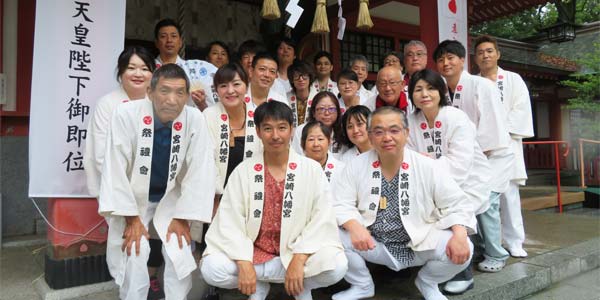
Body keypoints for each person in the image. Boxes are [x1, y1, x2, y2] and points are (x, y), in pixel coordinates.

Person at [200, 101, 348, 300]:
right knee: (211, 269)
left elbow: (321, 218)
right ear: (259, 132)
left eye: (282, 128)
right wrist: (244, 263)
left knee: (338, 265)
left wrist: (299, 258)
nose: (275, 135)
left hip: (297, 253)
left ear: (292, 130)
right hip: (255, 254)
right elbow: (229, 220)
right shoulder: (244, 171)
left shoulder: (311, 169)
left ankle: (294, 280)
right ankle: (261, 281)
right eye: (268, 129)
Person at [98, 64, 216, 300]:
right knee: (134, 250)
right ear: (150, 93)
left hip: (173, 200)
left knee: (178, 249)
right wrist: (131, 218)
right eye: (164, 91)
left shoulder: (194, 119)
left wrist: (183, 217)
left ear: (187, 96)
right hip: (133, 199)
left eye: (180, 92)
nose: (171, 100)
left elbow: (200, 171)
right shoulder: (126, 114)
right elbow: (115, 167)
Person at [332, 106, 475, 300]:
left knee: (465, 244)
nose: (387, 137)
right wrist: (355, 226)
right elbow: (340, 203)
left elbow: (456, 203)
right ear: (371, 136)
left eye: (394, 130)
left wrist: (459, 234)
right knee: (332, 235)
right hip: (374, 243)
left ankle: (428, 282)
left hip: (420, 242)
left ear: (406, 133)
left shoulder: (428, 166)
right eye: (379, 131)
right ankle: (362, 285)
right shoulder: (355, 166)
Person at [83, 46, 166, 300]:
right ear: (121, 72)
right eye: (131, 68)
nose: (138, 73)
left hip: (155, 187)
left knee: (153, 239)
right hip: (120, 188)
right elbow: (101, 155)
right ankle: (132, 293)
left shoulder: (161, 104)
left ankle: (145, 285)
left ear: (154, 73)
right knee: (130, 244)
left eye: (144, 68)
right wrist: (125, 192)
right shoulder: (108, 104)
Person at [406, 69, 492, 294]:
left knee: (454, 215)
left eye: (431, 88)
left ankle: (464, 272)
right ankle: (441, 266)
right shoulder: (410, 121)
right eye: (418, 89)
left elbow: (460, 164)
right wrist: (425, 168)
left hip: (468, 180)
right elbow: (408, 156)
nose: (424, 94)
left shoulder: (456, 117)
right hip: (430, 183)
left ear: (441, 91)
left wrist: (426, 165)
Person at [434, 40, 513, 281]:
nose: (446, 63)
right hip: (463, 157)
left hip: (491, 155)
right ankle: (478, 248)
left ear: (462, 60)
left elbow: (491, 127)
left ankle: (497, 253)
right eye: (441, 59)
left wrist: (472, 158)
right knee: (464, 204)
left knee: (486, 203)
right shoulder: (442, 90)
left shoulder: (481, 85)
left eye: (451, 58)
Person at [474, 35, 534, 258]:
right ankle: (490, 241)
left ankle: (514, 240)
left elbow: (520, 109)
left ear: (498, 54)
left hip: (507, 145)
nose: (485, 55)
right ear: (475, 58)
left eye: (489, 51)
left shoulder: (513, 79)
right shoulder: (473, 82)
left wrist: (498, 134)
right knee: (483, 197)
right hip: (482, 149)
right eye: (480, 52)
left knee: (509, 195)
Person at [204, 63, 262, 213]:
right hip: (214, 200)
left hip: (251, 197)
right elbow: (205, 161)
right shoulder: (208, 116)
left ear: (246, 86)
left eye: (236, 84)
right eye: (223, 86)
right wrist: (214, 196)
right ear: (216, 90)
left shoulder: (260, 116)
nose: (230, 91)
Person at [153, 18, 218, 110]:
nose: (169, 40)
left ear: (180, 42)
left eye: (174, 36)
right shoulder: (148, 69)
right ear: (156, 43)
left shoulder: (194, 68)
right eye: (163, 36)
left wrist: (202, 103)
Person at [291, 91, 345, 157]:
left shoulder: (343, 131)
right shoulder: (301, 130)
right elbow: (297, 156)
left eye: (331, 109)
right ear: (313, 112)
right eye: (322, 109)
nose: (327, 113)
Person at [287, 60, 317, 127]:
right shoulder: (285, 98)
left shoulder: (318, 98)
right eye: (296, 76)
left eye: (304, 76)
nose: (301, 79)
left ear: (310, 78)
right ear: (292, 80)